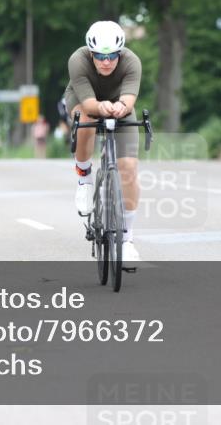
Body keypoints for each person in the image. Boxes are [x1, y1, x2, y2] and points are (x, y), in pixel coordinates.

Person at [64, 21, 142, 262]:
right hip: (84, 101)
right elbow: (89, 104)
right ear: (90, 52)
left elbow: (129, 100)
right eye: (99, 56)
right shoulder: (77, 60)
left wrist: (120, 106)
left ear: (120, 53)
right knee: (86, 117)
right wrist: (100, 106)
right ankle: (84, 178)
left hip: (119, 106)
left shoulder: (132, 62)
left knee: (128, 168)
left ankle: (127, 239)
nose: (106, 62)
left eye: (112, 56)